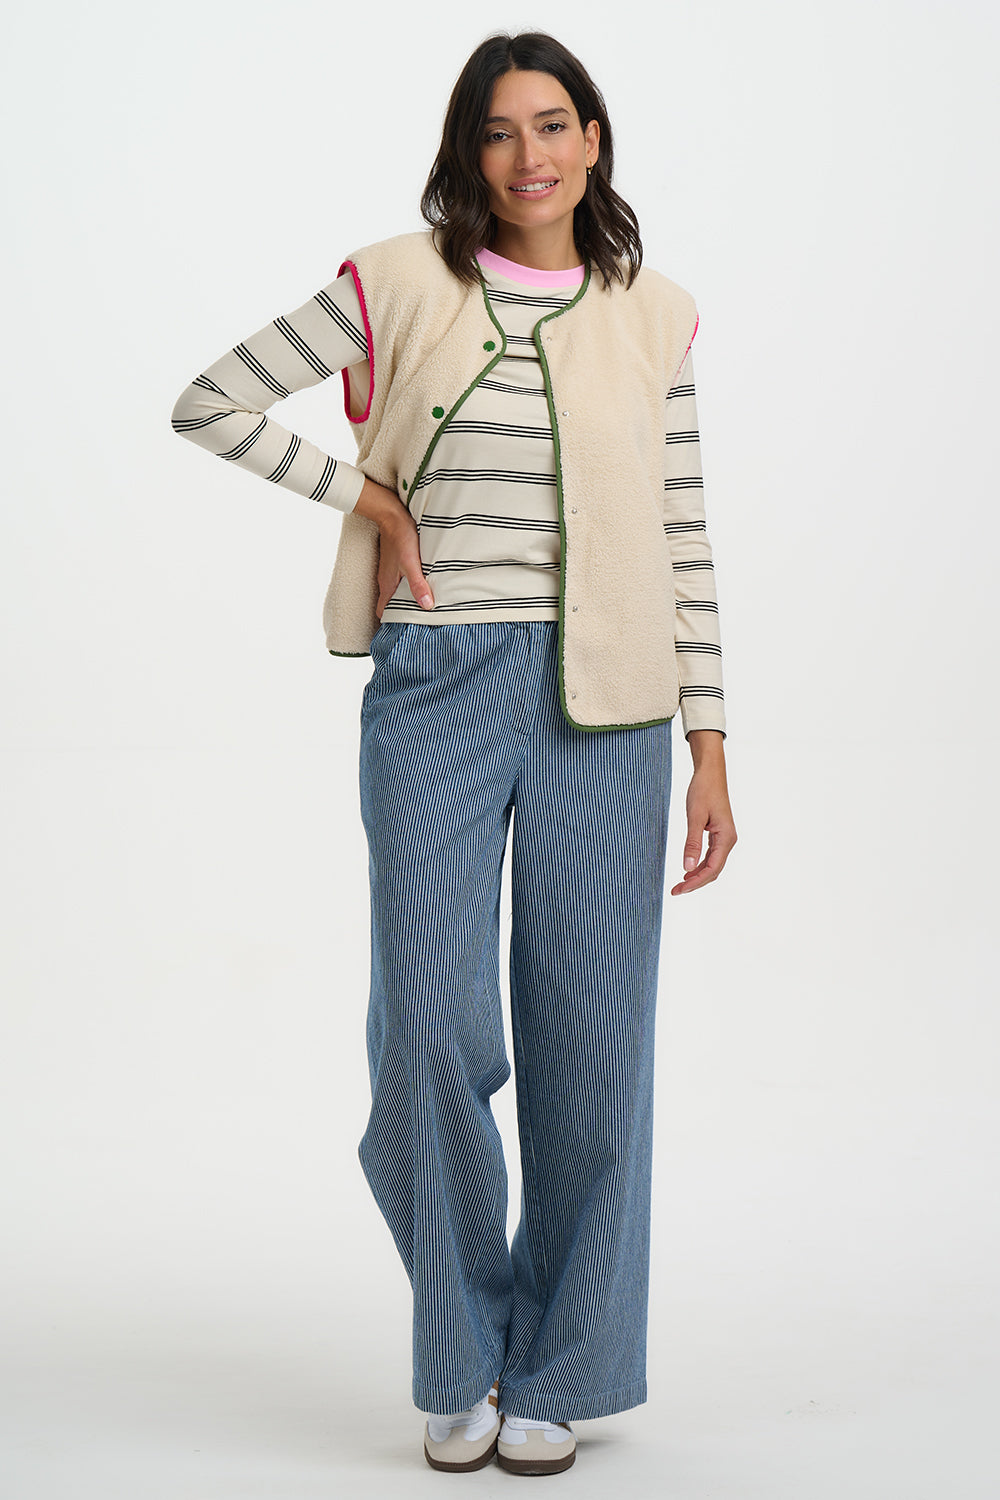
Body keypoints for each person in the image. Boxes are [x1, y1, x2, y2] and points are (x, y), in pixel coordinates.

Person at [171, 29, 736, 1478]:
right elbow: (212, 398)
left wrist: (712, 742)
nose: (530, 155)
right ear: (467, 151)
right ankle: (458, 1349)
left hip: (610, 701)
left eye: (556, 126)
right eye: (500, 132)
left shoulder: (655, 313)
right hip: (436, 683)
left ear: (596, 142)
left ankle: (561, 1367)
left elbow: (683, 535)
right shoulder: (398, 281)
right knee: (425, 1030)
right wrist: (362, 494)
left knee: (595, 1056)